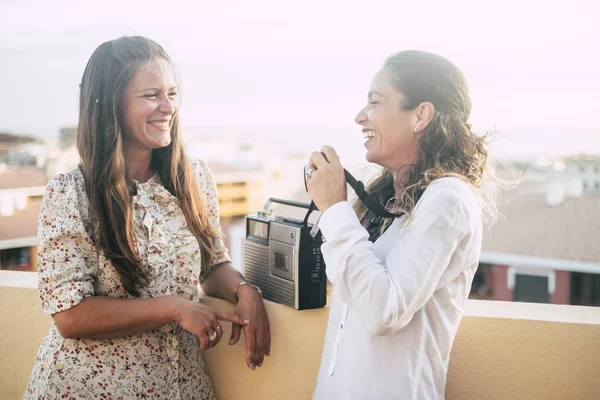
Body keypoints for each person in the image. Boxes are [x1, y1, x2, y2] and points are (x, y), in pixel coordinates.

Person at [25, 36, 270, 400]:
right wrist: (173, 307)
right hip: (86, 389)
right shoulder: (71, 194)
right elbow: (70, 316)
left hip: (181, 387)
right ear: (111, 104)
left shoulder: (195, 179)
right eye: (151, 95)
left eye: (172, 93)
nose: (167, 106)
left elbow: (212, 265)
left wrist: (243, 289)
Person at [306, 50, 496, 399]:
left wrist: (334, 209)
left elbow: (383, 310)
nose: (360, 116)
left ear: (421, 115)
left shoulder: (448, 199)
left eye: (375, 102)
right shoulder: (386, 202)